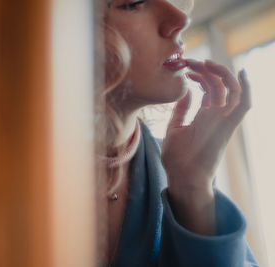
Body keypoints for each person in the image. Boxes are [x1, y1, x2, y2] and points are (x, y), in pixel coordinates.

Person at [96, 0, 259, 266]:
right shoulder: (12, 179)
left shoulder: (176, 171)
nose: (181, 19)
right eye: (134, 3)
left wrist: (192, 188)